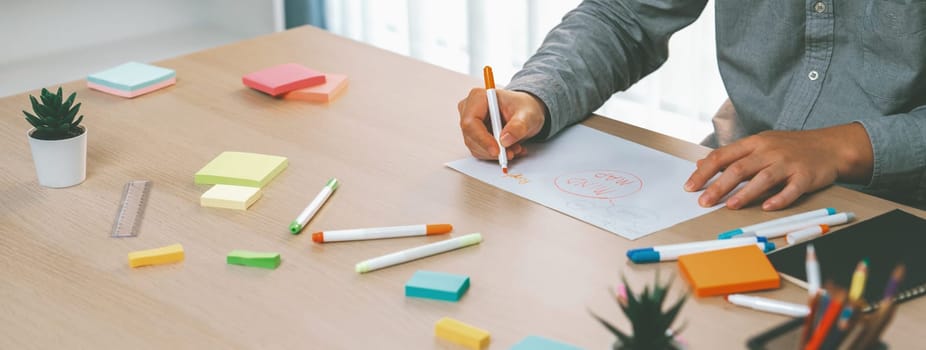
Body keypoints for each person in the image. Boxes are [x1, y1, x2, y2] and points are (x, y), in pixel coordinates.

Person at [457, 0, 926, 210]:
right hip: (733, 189)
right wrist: (538, 95)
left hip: (901, 208)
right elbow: (626, 17)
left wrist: (843, 146)